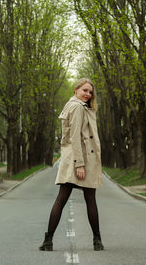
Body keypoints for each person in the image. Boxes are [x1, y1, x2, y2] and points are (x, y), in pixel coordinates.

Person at [39, 78, 104, 251]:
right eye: (85, 90)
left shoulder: (75, 105)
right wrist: (80, 164)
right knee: (85, 199)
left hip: (74, 158)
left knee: (64, 199)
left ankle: (48, 241)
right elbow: (75, 137)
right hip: (80, 158)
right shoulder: (77, 107)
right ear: (76, 90)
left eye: (90, 92)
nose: (88, 94)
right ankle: (97, 240)